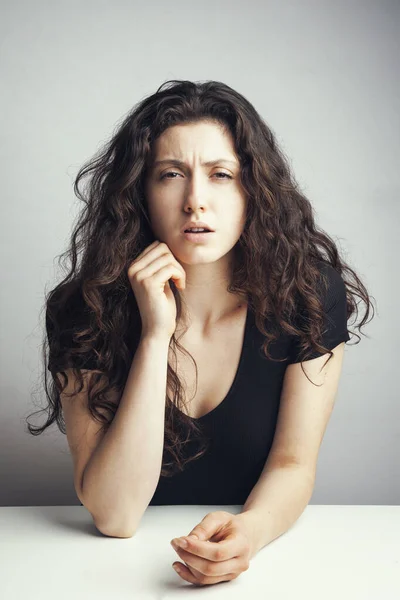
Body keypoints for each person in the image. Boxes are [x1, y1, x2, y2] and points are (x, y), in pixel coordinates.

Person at [26, 79, 373, 585]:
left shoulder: (308, 293)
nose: (195, 201)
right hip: (106, 577)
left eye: (221, 175)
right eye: (170, 174)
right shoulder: (85, 307)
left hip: (271, 570)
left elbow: (294, 463)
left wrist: (247, 535)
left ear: (252, 189)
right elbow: (115, 516)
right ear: (140, 192)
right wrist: (153, 336)